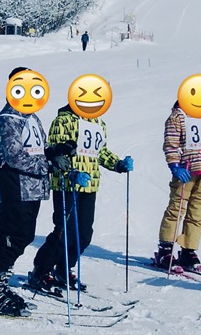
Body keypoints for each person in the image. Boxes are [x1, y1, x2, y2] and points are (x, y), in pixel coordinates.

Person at [0, 67, 75, 316]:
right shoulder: (6, 121)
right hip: (15, 187)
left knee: (23, 237)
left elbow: (39, 149)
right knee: (12, 236)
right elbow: (16, 157)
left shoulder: (31, 119)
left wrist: (57, 150)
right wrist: (49, 164)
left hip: (33, 189)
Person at [26, 104, 132, 294]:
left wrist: (118, 164)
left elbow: (101, 152)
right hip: (67, 184)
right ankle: (40, 272)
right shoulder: (63, 120)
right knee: (64, 232)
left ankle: (64, 269)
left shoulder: (98, 122)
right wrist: (70, 173)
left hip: (89, 185)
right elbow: (54, 152)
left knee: (83, 234)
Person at [153, 101, 201, 272]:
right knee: (177, 209)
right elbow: (171, 144)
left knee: (196, 211)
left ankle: (188, 250)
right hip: (186, 169)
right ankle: (165, 250)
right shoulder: (177, 117)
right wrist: (174, 165)